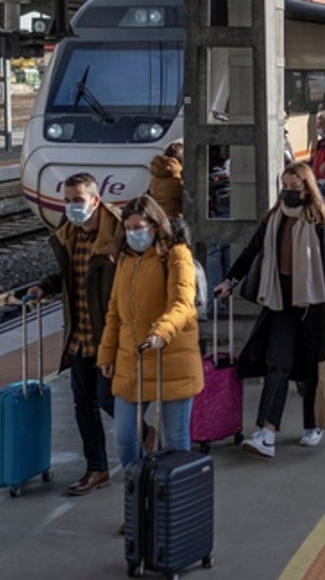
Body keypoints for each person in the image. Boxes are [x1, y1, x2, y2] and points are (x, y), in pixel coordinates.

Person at [214, 162, 325, 458]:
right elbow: (251, 251)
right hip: (279, 301)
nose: (288, 194)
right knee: (277, 364)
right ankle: (267, 432)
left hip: (315, 306)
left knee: (310, 368)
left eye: (294, 189)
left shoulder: (323, 225)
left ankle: (312, 424)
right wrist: (230, 280)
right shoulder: (274, 219)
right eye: (284, 188)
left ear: (307, 190)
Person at [26, 171, 121, 496]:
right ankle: (97, 467)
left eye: (77, 200)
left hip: (109, 335)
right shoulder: (68, 234)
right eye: (66, 201)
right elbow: (70, 275)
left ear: (95, 200)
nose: (71, 207)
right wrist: (45, 286)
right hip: (79, 334)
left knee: (108, 399)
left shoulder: (118, 234)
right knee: (83, 404)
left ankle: (143, 436)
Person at [98, 194, 203, 464]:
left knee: (175, 437)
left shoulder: (176, 254)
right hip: (132, 361)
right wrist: (107, 354)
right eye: (129, 228)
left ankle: (177, 498)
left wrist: (161, 332)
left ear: (155, 225)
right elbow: (115, 312)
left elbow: (183, 303)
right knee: (124, 435)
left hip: (171, 358)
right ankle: (138, 488)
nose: (133, 234)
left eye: (138, 227)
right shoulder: (125, 259)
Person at [149, 141, 184, 218]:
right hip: (173, 217)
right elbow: (186, 198)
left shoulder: (157, 173)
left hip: (157, 216)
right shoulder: (175, 178)